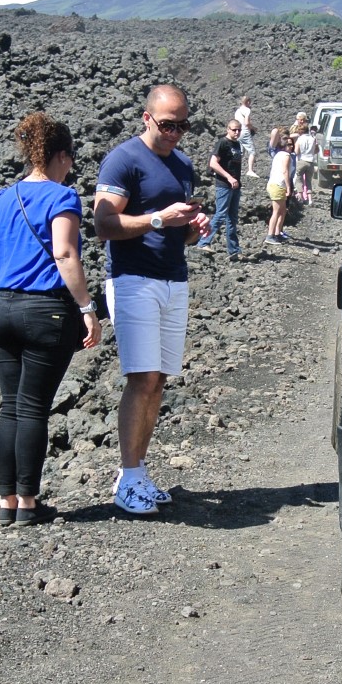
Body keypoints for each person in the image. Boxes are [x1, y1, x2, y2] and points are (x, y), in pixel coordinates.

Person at [94, 83, 210, 516]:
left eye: (183, 126)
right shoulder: (123, 159)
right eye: (167, 125)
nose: (175, 133)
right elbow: (104, 224)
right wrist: (159, 218)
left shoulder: (183, 164)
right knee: (141, 378)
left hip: (173, 280)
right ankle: (127, 478)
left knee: (159, 380)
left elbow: (182, 234)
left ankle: (138, 472)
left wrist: (195, 228)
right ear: (147, 118)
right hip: (133, 279)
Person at [0, 112, 102, 526]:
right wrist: (87, 308)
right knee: (33, 408)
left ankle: (7, 504)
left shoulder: (2, 198)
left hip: (1, 309)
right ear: (60, 156)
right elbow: (65, 254)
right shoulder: (62, 197)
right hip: (44, 311)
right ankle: (28, 503)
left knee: (10, 407)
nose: (70, 167)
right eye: (70, 158)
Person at [197, 117, 244, 259]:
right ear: (228, 129)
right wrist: (229, 177)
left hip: (235, 185)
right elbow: (213, 163)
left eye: (239, 130)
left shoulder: (237, 144)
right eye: (234, 130)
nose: (237, 132)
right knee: (221, 214)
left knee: (232, 218)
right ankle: (203, 242)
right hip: (224, 185)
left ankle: (234, 250)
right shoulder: (222, 143)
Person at [265, 135, 292, 245]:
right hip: (278, 185)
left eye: (292, 144)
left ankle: (277, 233)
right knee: (276, 211)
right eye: (289, 144)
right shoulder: (286, 155)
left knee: (282, 210)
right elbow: (285, 171)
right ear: (283, 146)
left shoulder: (277, 155)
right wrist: (288, 187)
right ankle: (270, 235)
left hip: (274, 184)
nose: (291, 146)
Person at [293, 125, 318, 204]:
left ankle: (301, 197)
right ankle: (310, 200)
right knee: (308, 181)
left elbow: (296, 151)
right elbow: (316, 150)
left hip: (301, 160)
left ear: (300, 131)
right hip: (310, 162)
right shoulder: (313, 139)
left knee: (299, 179)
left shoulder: (300, 139)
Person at [234, 96, 258, 177]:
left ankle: (237, 169)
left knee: (240, 152)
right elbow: (247, 123)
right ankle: (250, 170)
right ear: (248, 102)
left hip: (238, 132)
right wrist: (253, 128)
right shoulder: (247, 110)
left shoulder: (237, 111)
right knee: (252, 152)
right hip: (245, 132)